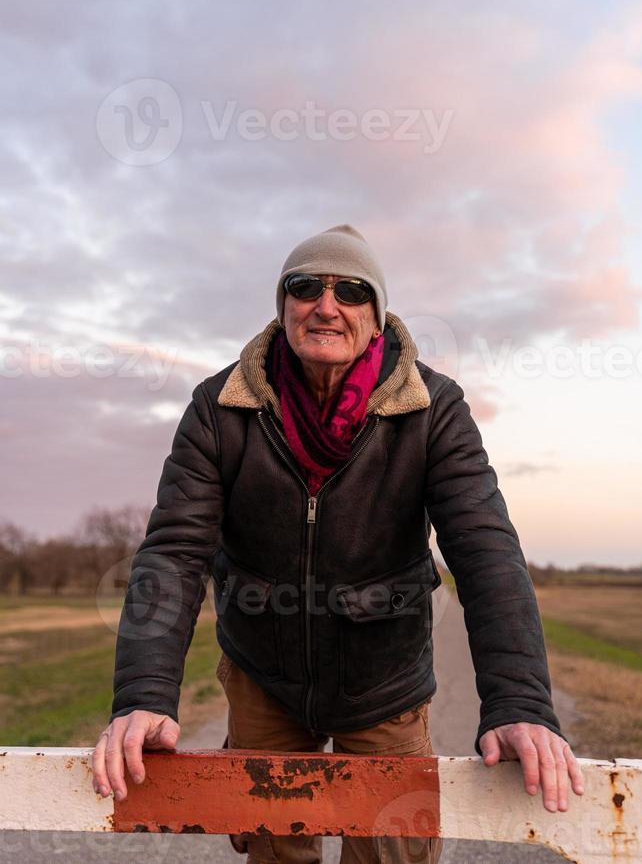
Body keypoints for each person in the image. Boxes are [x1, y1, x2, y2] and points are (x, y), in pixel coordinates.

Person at [92, 224, 584, 863]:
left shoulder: (435, 408)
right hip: (262, 673)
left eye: (350, 290)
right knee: (275, 850)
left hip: (385, 679)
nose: (327, 305)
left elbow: (485, 549)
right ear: (284, 307)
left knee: (389, 849)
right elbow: (174, 551)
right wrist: (143, 696)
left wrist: (520, 702)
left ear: (376, 316)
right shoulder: (218, 406)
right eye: (306, 287)